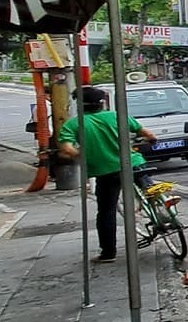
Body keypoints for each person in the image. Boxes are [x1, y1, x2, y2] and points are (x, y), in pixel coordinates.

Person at [56, 86, 157, 263]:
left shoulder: (74, 124)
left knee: (106, 211)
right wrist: (152, 140)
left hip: (105, 172)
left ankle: (108, 253)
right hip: (132, 164)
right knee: (149, 188)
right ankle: (162, 209)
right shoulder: (116, 116)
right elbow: (147, 133)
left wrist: (80, 154)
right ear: (101, 103)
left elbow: (66, 147)